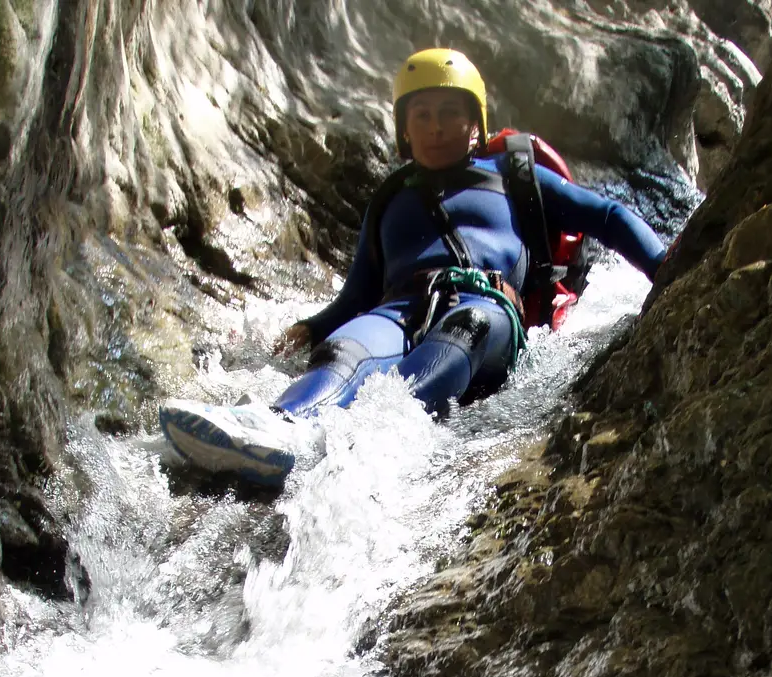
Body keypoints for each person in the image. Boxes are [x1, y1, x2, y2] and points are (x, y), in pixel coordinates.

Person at [159, 48, 667, 485]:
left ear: (476, 122)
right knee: (345, 347)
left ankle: (356, 443)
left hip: (487, 309)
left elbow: (606, 215)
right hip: (401, 308)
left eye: (450, 113)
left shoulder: (514, 175)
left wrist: (664, 266)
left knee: (465, 327)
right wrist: (311, 327)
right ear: (404, 128)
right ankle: (279, 428)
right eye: (421, 115)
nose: (436, 126)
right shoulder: (390, 198)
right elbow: (357, 296)